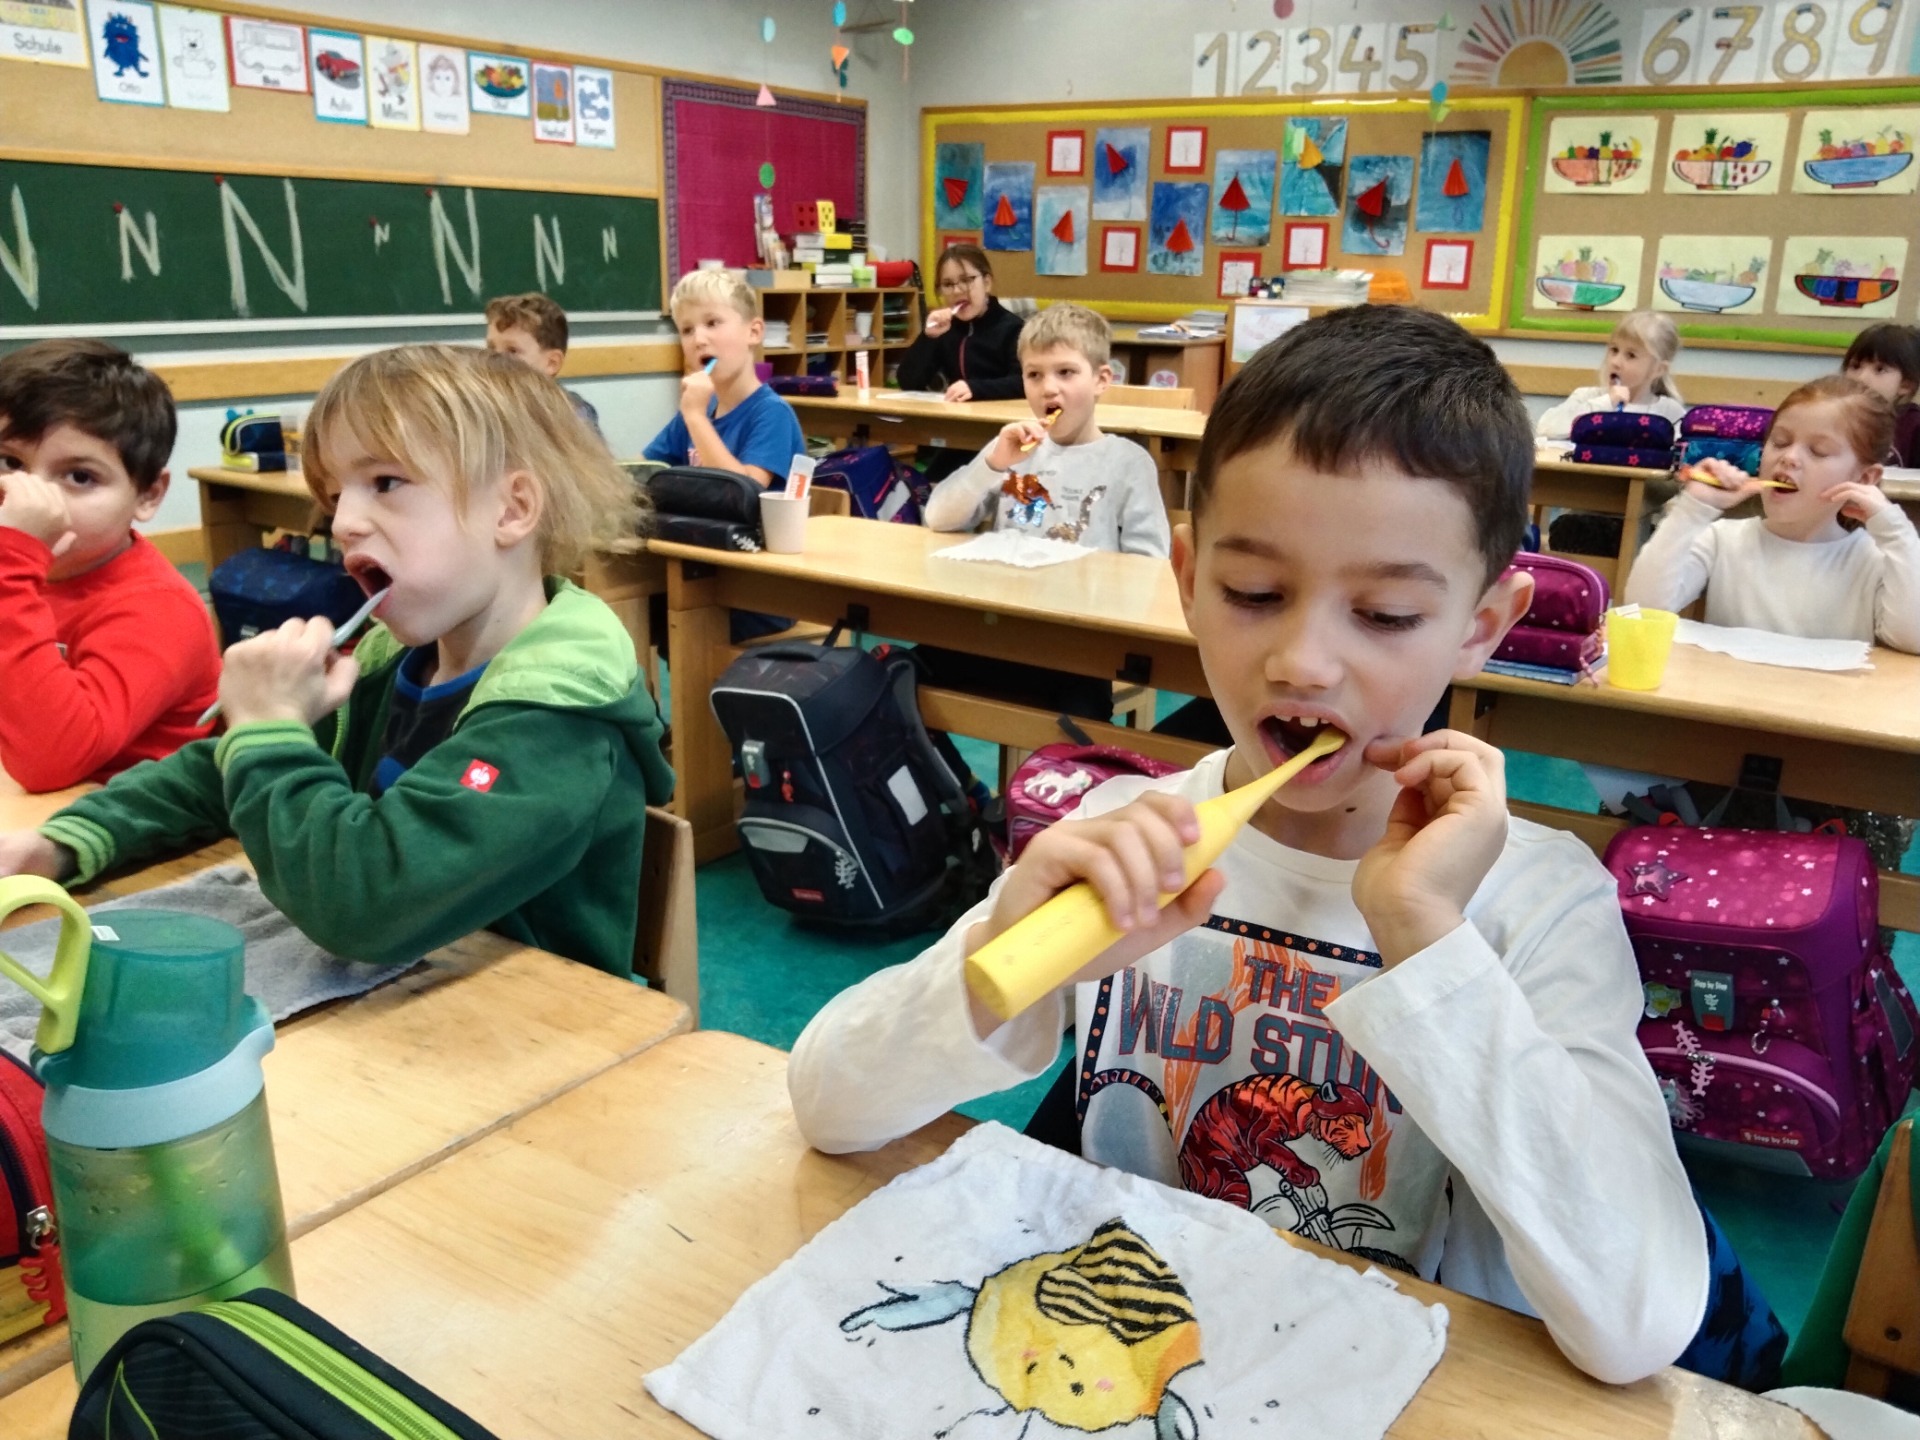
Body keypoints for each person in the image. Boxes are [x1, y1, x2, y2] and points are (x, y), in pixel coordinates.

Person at [789, 304, 1709, 1386]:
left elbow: (1642, 1321)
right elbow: (829, 1104)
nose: (1304, 661)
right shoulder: (1116, 837)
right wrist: (1000, 965)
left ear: (1482, 624)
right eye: (1255, 594)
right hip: (1121, 1358)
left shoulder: (1540, 904)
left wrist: (1428, 937)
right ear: (1187, 579)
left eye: (1386, 614)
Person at [0, 345, 673, 976]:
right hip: (406, 1000)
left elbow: (366, 903)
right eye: (334, 493)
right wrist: (64, 841)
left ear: (512, 509)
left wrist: (270, 730)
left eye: (385, 482)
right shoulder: (392, 662)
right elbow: (216, 773)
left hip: (533, 1026)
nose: (343, 521)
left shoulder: (559, 718)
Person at [0, 339, 218, 792]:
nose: (30, 499)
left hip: (114, 822)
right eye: (9, 463)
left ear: (148, 496)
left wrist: (12, 561)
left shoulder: (159, 610)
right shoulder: (19, 569)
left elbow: (50, 760)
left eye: (79, 476)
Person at [1625, 374, 1920, 651]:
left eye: (1818, 451)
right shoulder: (1723, 540)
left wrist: (1896, 532)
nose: (1789, 457)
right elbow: (1642, 609)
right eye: (1780, 442)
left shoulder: (1874, 559)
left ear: (1864, 479)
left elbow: (1912, 638)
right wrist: (1693, 509)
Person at [924, 303, 1169, 555]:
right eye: (1034, 375)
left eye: (1065, 372)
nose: (1048, 388)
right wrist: (991, 466)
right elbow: (937, 518)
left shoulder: (1129, 463)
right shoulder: (1009, 449)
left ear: (1101, 380)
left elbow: (1150, 563)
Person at [643, 269, 804, 487]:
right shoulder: (699, 408)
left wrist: (696, 418)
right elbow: (643, 470)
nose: (699, 340)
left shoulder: (773, 413)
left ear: (754, 332)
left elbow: (744, 493)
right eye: (687, 330)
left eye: (712, 323)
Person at [897, 244, 1024, 403]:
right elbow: (908, 382)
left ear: (987, 283)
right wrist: (928, 337)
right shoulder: (946, 329)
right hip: (958, 414)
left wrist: (975, 389)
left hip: (1002, 415)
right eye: (948, 284)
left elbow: (1024, 382)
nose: (957, 291)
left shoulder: (1013, 329)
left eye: (966, 280)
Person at [1535, 311, 1686, 440]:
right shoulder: (1586, 397)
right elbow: (1545, 428)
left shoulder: (1670, 412)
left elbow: (1684, 454)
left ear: (1658, 369)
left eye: (1631, 355)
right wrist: (1606, 402)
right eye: (1614, 350)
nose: (1615, 362)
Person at [484, 292, 601, 433]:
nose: (495, 358)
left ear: (551, 363)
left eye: (512, 351)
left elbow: (587, 448)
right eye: (491, 348)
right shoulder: (484, 408)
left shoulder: (573, 413)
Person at [1840, 323, 1920, 467]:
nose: (1861, 378)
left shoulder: (1915, 426)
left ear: (1906, 385)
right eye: (1855, 366)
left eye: (1879, 370)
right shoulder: (1833, 416)